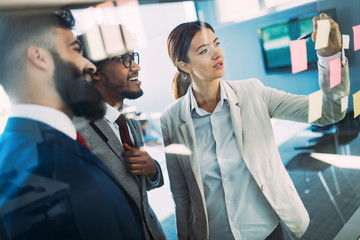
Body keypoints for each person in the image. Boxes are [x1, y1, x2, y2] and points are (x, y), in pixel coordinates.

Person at [161, 13, 349, 240]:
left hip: (265, 232)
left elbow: (330, 110)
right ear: (184, 66)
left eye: (216, 43)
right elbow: (181, 194)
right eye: (203, 51)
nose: (217, 53)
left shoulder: (253, 92)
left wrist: (331, 58)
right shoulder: (171, 119)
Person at [0, 10, 144, 240]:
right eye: (75, 50)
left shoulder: (23, 149)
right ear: (39, 57)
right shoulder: (38, 175)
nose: (89, 65)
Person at [73, 36, 166, 240]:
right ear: (94, 71)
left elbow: (140, 189)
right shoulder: (76, 131)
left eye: (133, 57)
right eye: (124, 59)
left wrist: (152, 170)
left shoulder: (128, 119)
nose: (136, 66)